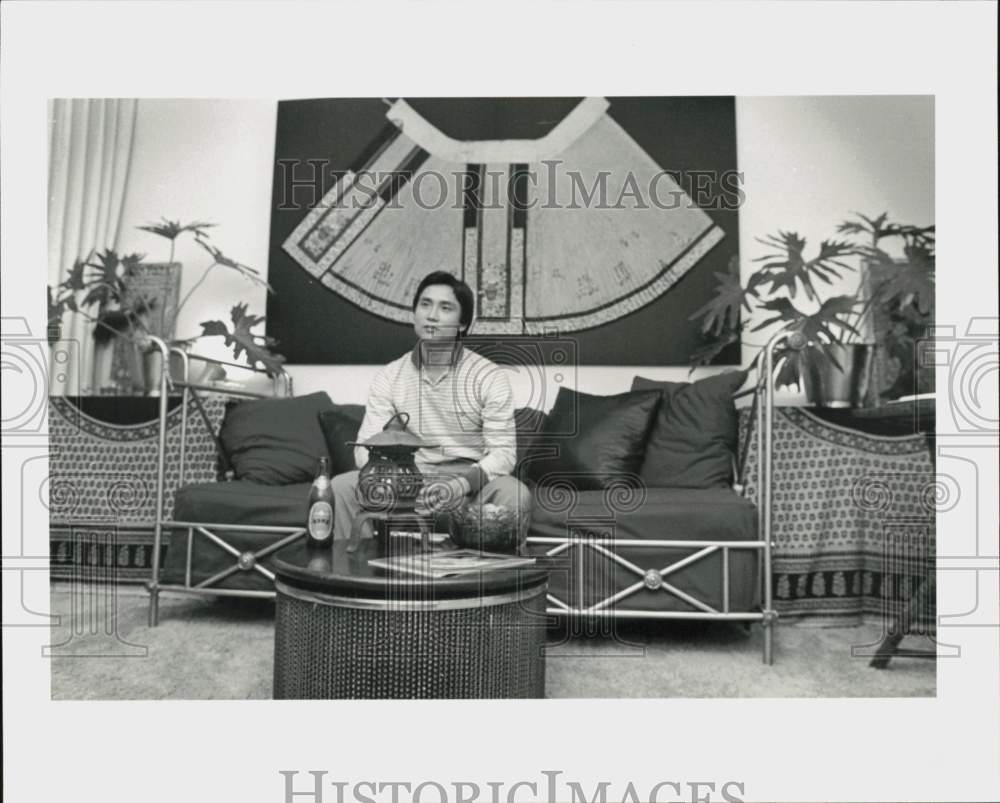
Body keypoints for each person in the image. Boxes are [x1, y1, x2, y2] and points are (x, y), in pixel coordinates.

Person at [330, 271, 531, 541]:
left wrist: (461, 485)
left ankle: (489, 581)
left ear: (462, 324)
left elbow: (504, 454)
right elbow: (365, 447)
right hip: (407, 478)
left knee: (514, 494)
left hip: (467, 485)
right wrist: (397, 482)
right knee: (340, 488)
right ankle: (359, 576)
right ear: (414, 314)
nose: (432, 315)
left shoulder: (488, 376)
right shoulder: (391, 375)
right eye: (425, 304)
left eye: (445, 308)